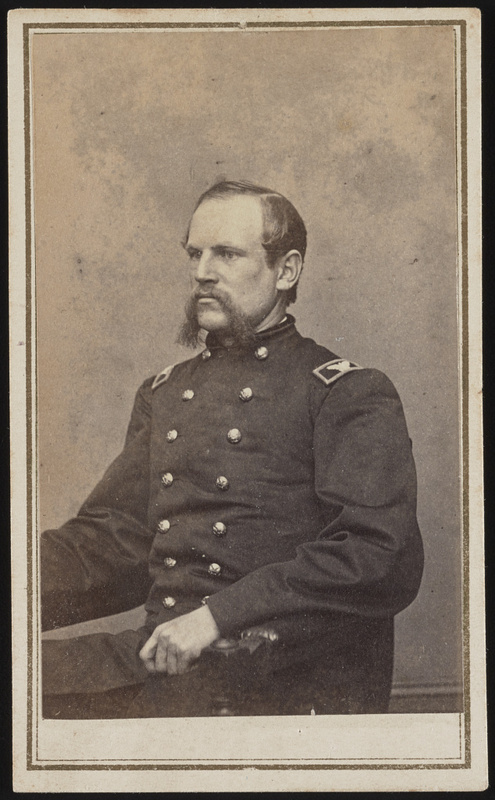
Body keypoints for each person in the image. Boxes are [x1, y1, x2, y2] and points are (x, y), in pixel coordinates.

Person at [41, 180, 424, 718]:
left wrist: (216, 617)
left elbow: (377, 554)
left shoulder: (343, 393)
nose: (203, 272)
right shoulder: (164, 392)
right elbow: (117, 541)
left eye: (226, 254)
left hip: (273, 672)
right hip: (167, 654)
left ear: (286, 271)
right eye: (194, 254)